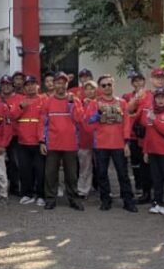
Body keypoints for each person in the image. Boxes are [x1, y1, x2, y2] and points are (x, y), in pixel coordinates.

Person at [84, 75, 137, 213]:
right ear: (100, 88)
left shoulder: (122, 103)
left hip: (118, 144)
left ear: (113, 85)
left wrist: (126, 142)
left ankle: (128, 201)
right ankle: (105, 200)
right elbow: (88, 122)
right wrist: (98, 114)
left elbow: (126, 123)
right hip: (101, 144)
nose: (107, 87)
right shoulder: (95, 103)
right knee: (101, 174)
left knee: (123, 174)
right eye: (104, 85)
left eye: (109, 84)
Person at [40, 81, 84, 211]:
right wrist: (42, 141)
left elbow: (79, 118)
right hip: (52, 143)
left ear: (67, 84)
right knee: (50, 174)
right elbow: (42, 123)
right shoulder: (48, 101)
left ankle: (73, 199)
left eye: (63, 83)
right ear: (54, 85)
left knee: (71, 175)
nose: (61, 85)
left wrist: (71, 104)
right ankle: (50, 199)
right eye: (58, 83)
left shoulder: (75, 100)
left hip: (70, 143)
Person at [13, 77, 47, 206]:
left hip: (38, 142)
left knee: (40, 170)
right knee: (24, 170)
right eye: (27, 85)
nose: (30, 87)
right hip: (22, 142)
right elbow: (13, 116)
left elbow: (44, 121)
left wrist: (42, 140)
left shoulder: (44, 100)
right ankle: (27, 193)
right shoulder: (19, 100)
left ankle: (41, 195)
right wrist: (21, 107)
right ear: (24, 87)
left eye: (33, 84)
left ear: (38, 86)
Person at [122, 72, 151, 203]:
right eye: (135, 81)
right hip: (132, 134)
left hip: (145, 135)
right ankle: (138, 185)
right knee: (135, 163)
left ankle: (148, 188)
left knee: (146, 163)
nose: (138, 83)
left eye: (140, 81)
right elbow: (126, 111)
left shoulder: (151, 95)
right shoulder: (127, 96)